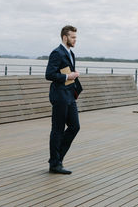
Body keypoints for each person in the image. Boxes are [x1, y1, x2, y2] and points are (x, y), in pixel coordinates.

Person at [45, 25, 83, 174]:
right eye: (72, 37)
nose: (75, 40)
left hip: (69, 96)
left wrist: (73, 74)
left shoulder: (70, 53)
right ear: (64, 37)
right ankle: (55, 163)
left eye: (75, 37)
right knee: (58, 130)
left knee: (75, 126)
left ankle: (56, 159)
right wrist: (68, 76)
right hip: (59, 96)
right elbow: (49, 74)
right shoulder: (57, 53)